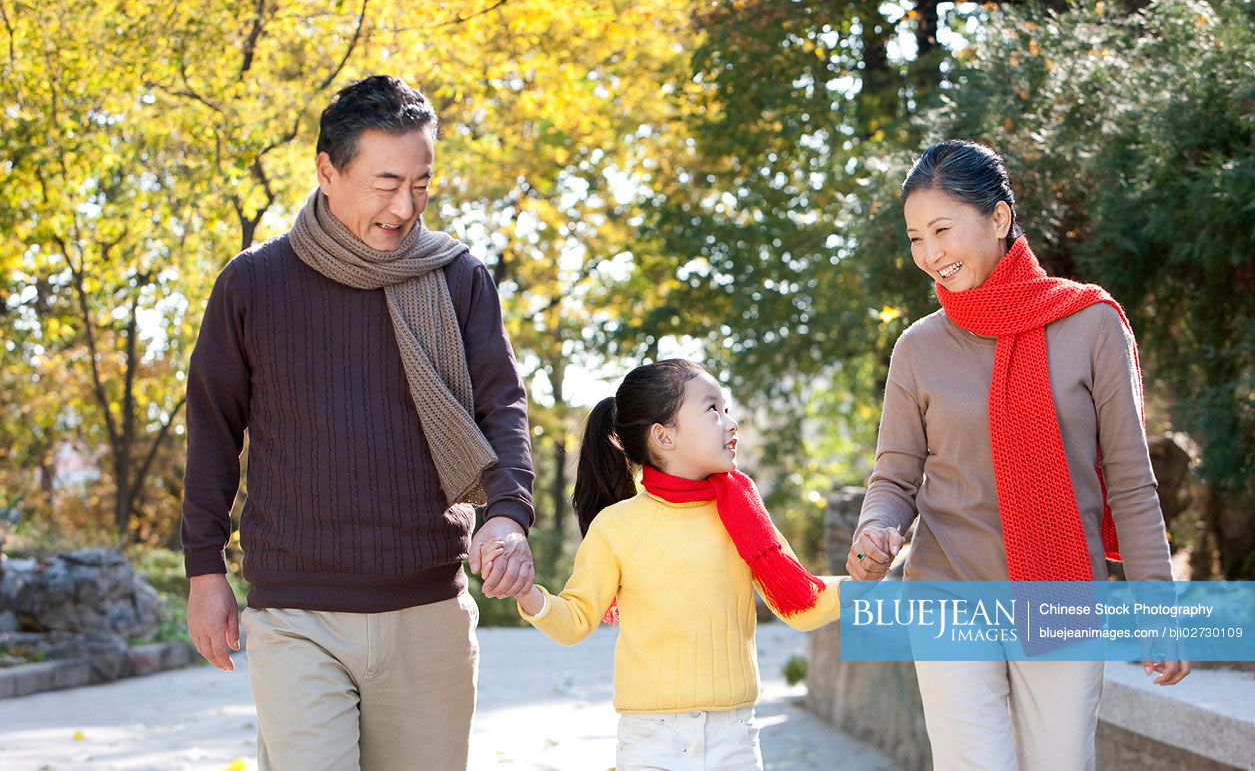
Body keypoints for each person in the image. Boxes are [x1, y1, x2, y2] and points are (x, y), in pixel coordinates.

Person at [181, 75, 536, 771]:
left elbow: (503, 405)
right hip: (296, 613)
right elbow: (213, 432)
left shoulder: (458, 278)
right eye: (384, 182)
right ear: (326, 170)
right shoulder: (253, 284)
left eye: (421, 183)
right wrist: (204, 571)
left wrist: (507, 513)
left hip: (427, 608)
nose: (404, 206)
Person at [848, 140, 1188, 770]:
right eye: (915, 237)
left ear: (999, 220)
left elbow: (1130, 482)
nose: (929, 255)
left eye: (942, 230)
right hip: (948, 596)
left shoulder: (1090, 324)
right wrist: (878, 526)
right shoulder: (918, 349)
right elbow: (895, 475)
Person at [482, 359, 843, 771]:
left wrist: (865, 582)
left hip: (736, 738)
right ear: (663, 437)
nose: (730, 423)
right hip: (651, 742)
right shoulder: (617, 527)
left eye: (726, 409)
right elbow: (577, 619)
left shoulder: (743, 511)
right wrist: (526, 592)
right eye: (712, 409)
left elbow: (800, 604)